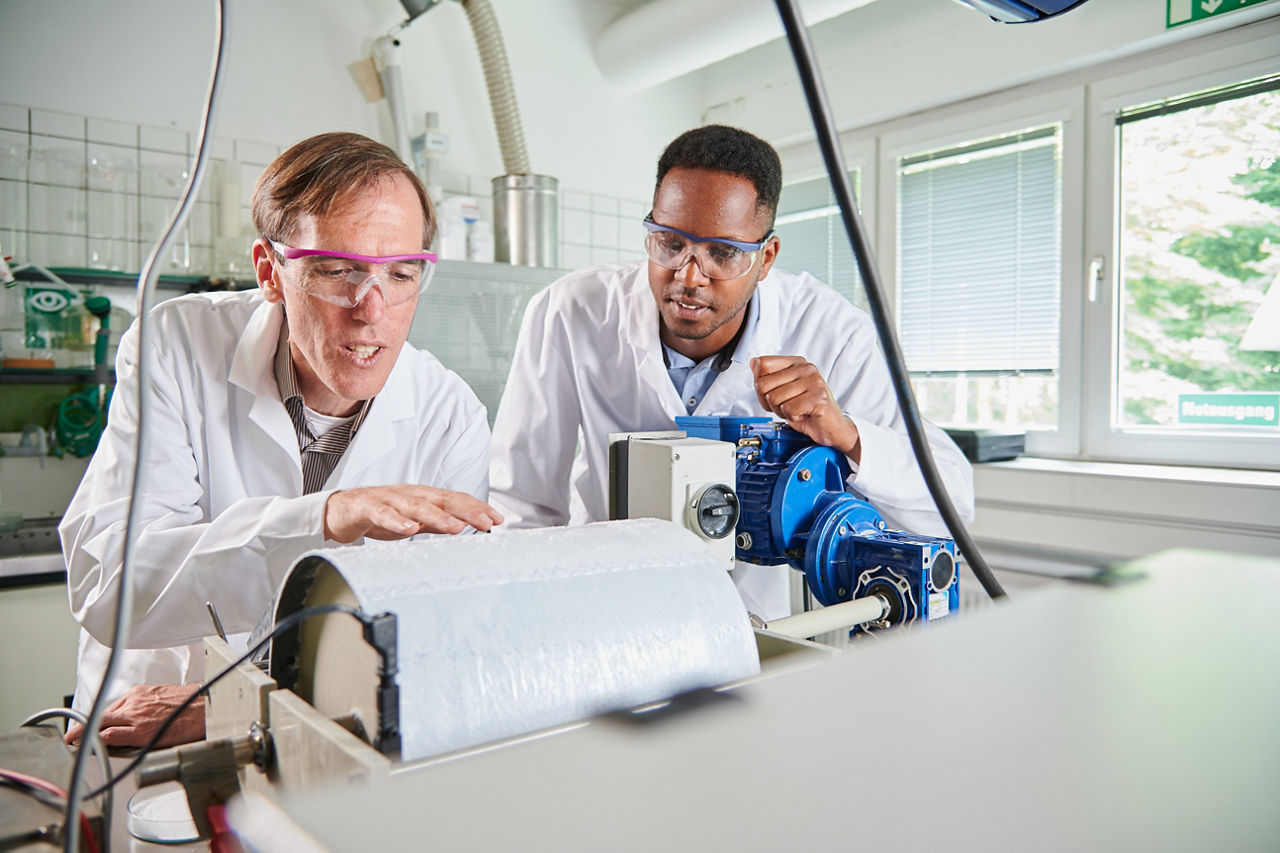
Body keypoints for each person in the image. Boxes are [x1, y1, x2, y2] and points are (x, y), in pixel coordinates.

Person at [62, 132, 503, 747]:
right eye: (337, 270)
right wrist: (325, 517)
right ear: (271, 271)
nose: (371, 307)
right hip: (147, 730)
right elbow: (110, 583)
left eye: (401, 273)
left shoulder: (449, 413)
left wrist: (240, 707)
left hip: (326, 734)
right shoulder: (176, 346)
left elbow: (441, 634)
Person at [489, 124, 973, 618]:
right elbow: (521, 504)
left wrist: (847, 435)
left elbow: (952, 504)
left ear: (765, 258)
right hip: (601, 603)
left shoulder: (832, 332)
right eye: (669, 243)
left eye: (722, 253)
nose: (689, 276)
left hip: (748, 622)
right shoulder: (572, 310)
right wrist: (533, 619)